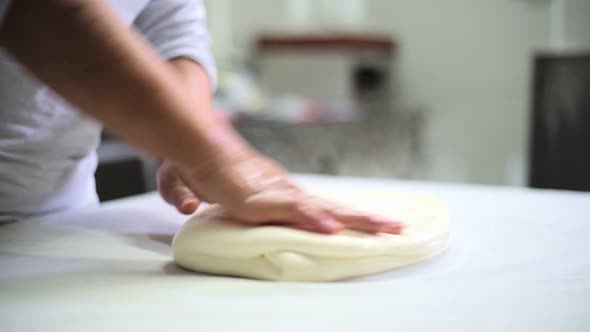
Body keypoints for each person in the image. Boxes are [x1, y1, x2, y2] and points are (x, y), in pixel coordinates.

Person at [0, 0, 403, 234]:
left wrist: (183, 139)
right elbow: (49, 17)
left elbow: (171, 31)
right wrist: (214, 158)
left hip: (59, 213)